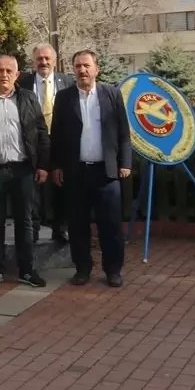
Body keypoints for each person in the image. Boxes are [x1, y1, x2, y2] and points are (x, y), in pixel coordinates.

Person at [50, 50, 131, 288]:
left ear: (96, 69)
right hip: (76, 172)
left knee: (111, 225)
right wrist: (56, 165)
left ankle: (113, 270)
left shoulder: (112, 95)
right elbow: (57, 135)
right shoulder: (64, 98)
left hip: (106, 173)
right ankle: (82, 269)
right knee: (77, 225)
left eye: (86, 66)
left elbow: (124, 133)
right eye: (77, 66)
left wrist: (125, 163)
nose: (82, 70)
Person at [0, 55, 50, 289]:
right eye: (0, 70)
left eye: (9, 71)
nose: (4, 74)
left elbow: (41, 132)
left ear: (17, 75)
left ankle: (27, 270)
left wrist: (43, 165)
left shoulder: (28, 98)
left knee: (25, 222)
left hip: (24, 169)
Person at [18, 43, 75, 245]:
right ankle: (32, 229)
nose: (43, 62)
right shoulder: (23, 83)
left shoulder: (68, 82)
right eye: (39, 59)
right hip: (33, 143)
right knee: (33, 188)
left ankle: (60, 229)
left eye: (47, 58)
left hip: (59, 141)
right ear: (33, 61)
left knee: (61, 185)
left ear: (54, 60)